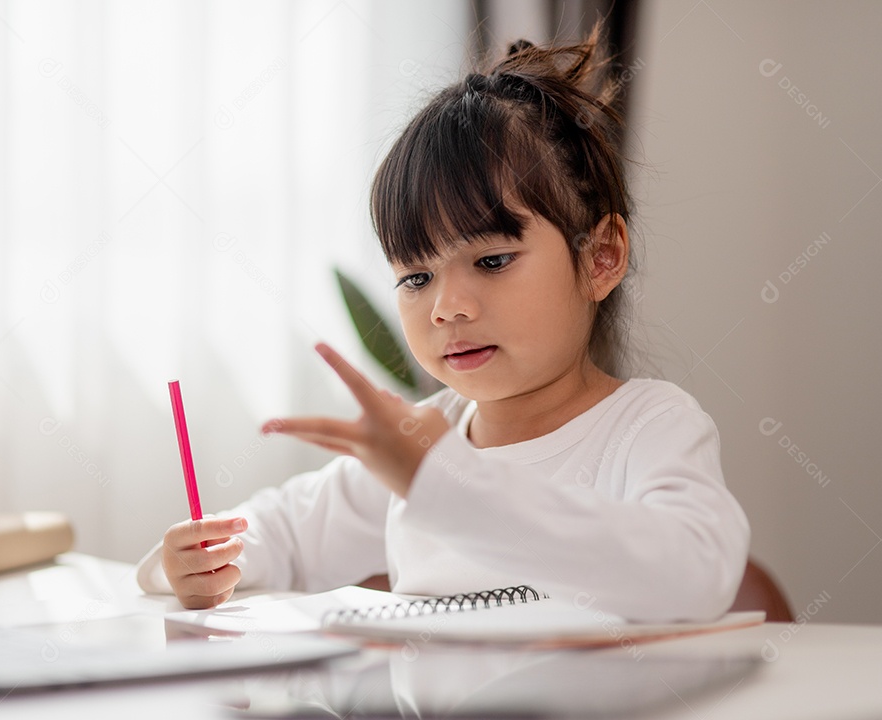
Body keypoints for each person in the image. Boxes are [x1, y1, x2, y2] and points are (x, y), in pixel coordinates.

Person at [135, 25, 749, 622]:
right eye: (415, 277)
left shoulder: (646, 428)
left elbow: (696, 574)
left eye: (491, 260)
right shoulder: (423, 442)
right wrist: (192, 563)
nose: (446, 307)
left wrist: (443, 486)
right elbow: (283, 534)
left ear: (601, 257)